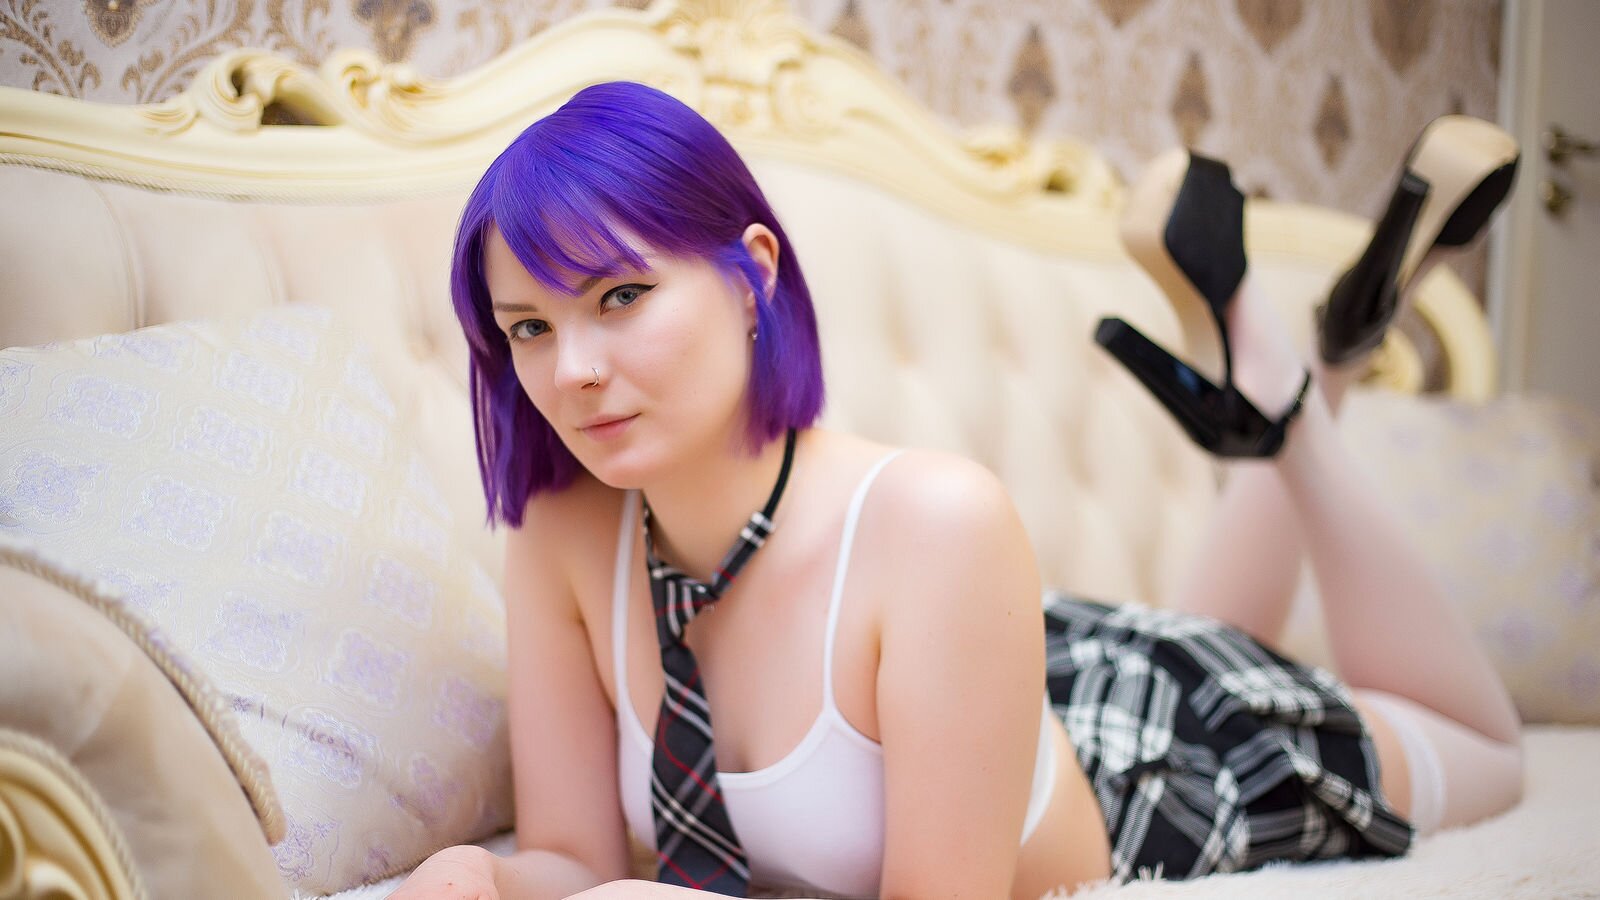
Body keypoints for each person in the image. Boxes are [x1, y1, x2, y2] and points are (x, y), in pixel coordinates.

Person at [390, 83, 1524, 900]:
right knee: (1205, 626)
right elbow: (577, 861)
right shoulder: (562, 537)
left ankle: (1302, 370)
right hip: (989, 675)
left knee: (1489, 754)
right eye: (528, 329)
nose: (573, 372)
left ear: (751, 277)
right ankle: (1285, 383)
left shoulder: (937, 518)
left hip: (1149, 760)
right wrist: (480, 878)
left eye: (619, 297)